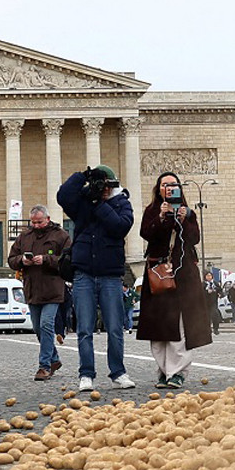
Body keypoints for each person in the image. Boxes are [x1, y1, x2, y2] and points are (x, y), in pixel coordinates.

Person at [58, 164, 136, 391]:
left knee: (114, 327)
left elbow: (120, 227)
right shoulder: (83, 202)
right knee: (84, 327)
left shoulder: (121, 203)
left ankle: (118, 372)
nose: (101, 189)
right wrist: (82, 175)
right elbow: (63, 196)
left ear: (112, 187)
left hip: (110, 273)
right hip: (83, 272)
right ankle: (86, 374)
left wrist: (100, 205)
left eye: (104, 186)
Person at [138, 173, 214, 389]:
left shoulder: (187, 212)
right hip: (158, 274)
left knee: (180, 324)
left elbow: (194, 238)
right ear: (158, 188)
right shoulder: (152, 211)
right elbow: (147, 234)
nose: (169, 188)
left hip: (183, 275)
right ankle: (163, 371)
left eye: (173, 185)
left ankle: (178, 371)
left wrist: (184, 219)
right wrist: (162, 218)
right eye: (165, 185)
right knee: (159, 324)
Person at [8, 204, 70, 381]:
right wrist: (22, 261)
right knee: (38, 328)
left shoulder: (61, 236)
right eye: (33, 222)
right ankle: (55, 359)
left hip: (53, 288)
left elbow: (69, 260)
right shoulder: (24, 236)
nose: (36, 225)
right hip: (32, 289)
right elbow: (12, 259)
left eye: (39, 222)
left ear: (48, 219)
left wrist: (46, 259)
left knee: (46, 325)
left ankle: (44, 367)